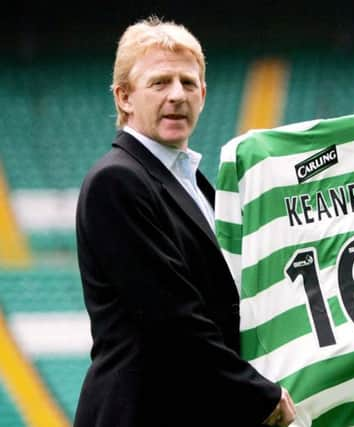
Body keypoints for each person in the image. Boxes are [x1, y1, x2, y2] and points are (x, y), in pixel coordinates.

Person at [74, 17, 295, 427]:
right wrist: (259, 394)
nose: (177, 95)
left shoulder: (197, 184)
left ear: (204, 94)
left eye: (188, 83)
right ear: (123, 97)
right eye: (160, 83)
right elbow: (172, 320)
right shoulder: (117, 181)